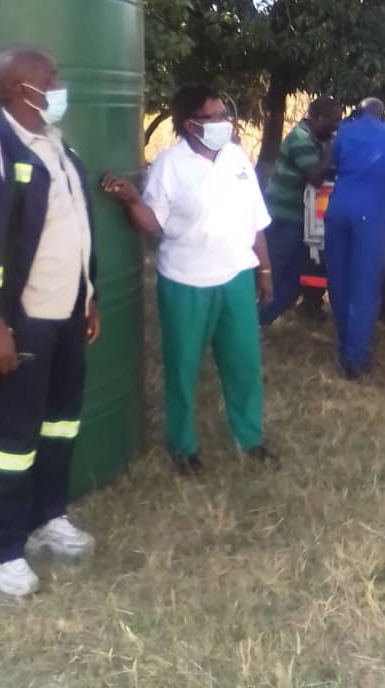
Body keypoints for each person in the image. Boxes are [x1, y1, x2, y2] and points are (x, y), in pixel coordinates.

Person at [0, 46, 100, 598]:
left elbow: (75, 230)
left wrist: (89, 295)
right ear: (18, 90)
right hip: (18, 324)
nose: (59, 84)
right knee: (6, 440)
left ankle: (46, 517)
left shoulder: (57, 146)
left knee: (58, 425)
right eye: (49, 78)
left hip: (66, 317)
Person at [101, 84, 276, 476]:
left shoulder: (236, 158)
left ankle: (250, 439)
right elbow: (156, 225)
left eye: (223, 115)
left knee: (244, 364)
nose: (223, 123)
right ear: (190, 124)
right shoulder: (171, 164)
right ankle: (183, 446)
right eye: (213, 117)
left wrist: (263, 269)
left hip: (234, 276)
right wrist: (132, 200)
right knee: (182, 369)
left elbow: (255, 220)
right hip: (185, 282)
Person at [324, 98, 385, 378]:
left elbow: (330, 166)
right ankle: (355, 360)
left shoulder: (344, 132)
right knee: (365, 286)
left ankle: (344, 346)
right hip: (371, 217)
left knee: (339, 281)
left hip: (338, 211)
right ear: (383, 114)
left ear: (357, 112)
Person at [260, 97, 342, 326]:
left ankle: (266, 317)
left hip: (297, 217)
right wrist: (333, 150)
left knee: (296, 273)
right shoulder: (300, 139)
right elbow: (316, 177)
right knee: (276, 269)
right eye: (333, 121)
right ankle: (255, 317)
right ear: (317, 118)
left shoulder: (315, 138)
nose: (336, 127)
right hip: (283, 215)